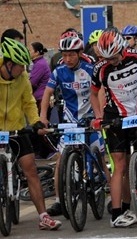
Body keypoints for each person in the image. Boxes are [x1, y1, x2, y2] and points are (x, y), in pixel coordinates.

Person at [0, 38, 63, 230]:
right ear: (9, 64)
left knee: (31, 171)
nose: (24, 71)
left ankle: (44, 216)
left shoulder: (22, 79)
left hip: (17, 128)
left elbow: (28, 102)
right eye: (21, 67)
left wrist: (36, 122)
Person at [90, 30, 137, 228]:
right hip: (114, 117)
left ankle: (127, 207)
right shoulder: (100, 68)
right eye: (107, 58)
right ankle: (116, 214)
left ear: (122, 49)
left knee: (136, 158)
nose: (112, 62)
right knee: (119, 165)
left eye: (114, 57)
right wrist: (99, 117)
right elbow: (94, 93)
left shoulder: (135, 57)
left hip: (134, 114)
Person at [40, 34, 101, 217]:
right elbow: (47, 93)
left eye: (71, 55)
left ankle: (107, 187)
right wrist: (43, 116)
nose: (67, 59)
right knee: (61, 160)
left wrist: (99, 116)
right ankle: (59, 201)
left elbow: (99, 93)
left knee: (99, 157)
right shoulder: (58, 71)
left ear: (80, 52)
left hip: (90, 118)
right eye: (64, 55)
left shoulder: (91, 69)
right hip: (70, 121)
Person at [29, 42, 50, 112]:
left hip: (41, 98)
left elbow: (31, 82)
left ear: (37, 52)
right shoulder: (40, 62)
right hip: (41, 97)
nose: (28, 52)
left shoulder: (39, 64)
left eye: (30, 50)